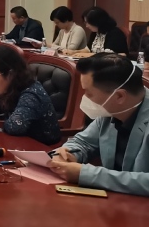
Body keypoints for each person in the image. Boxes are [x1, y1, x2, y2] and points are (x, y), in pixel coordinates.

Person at [49, 54, 149, 196]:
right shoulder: (112, 111)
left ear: (119, 96)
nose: (85, 98)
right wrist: (66, 154)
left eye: (89, 93)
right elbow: (83, 142)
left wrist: (87, 174)